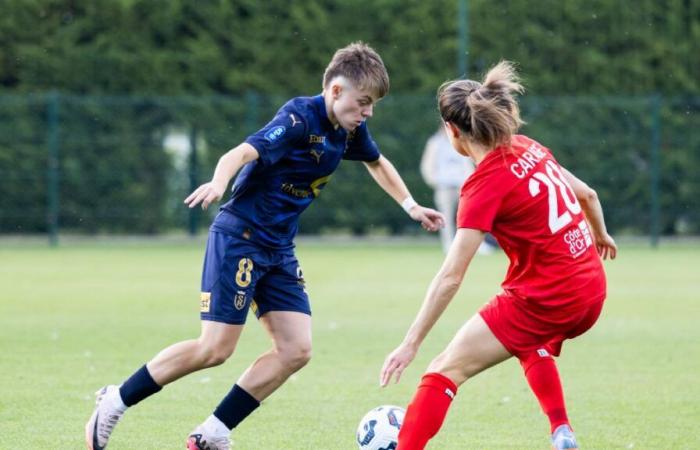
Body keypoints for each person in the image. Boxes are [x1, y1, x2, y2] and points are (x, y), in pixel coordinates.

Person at [85, 42, 445, 450]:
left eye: (373, 105)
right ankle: (116, 399)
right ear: (336, 90)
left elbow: (377, 162)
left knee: (296, 349)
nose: (368, 113)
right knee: (215, 348)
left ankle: (214, 432)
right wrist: (220, 183)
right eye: (363, 102)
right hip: (240, 236)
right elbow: (241, 152)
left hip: (278, 248)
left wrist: (411, 205)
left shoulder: (349, 129)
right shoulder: (298, 117)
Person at [380, 61, 617, 450]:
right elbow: (587, 193)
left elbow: (451, 276)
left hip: (549, 298)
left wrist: (411, 342)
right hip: (591, 289)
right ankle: (562, 432)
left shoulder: (482, 185)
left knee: (444, 369)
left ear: (452, 131)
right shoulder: (529, 146)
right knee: (526, 338)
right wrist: (601, 235)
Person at [420, 126, 494, 254]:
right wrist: (434, 180)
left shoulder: (461, 140)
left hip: (463, 184)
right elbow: (427, 164)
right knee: (445, 218)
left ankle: (477, 245)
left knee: (470, 216)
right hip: (444, 186)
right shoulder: (435, 143)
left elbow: (468, 162)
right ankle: (449, 246)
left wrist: (472, 181)